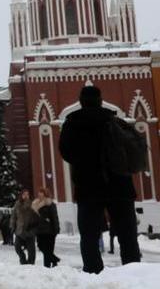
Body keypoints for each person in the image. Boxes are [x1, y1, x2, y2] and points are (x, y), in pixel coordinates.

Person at [58, 84, 142, 274]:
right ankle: (134, 271)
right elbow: (132, 150)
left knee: (89, 236)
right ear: (100, 100)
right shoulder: (115, 121)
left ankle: (94, 272)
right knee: (127, 234)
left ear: (80, 102)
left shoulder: (73, 123)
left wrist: (85, 161)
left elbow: (66, 152)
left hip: (89, 188)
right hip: (120, 185)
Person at [11, 189, 39, 265]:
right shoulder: (17, 204)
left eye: (27, 194)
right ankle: (23, 259)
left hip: (29, 230)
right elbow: (13, 216)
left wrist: (34, 228)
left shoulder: (33, 204)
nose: (26, 196)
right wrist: (12, 227)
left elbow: (37, 217)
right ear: (21, 195)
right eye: (24, 194)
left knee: (31, 250)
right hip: (19, 230)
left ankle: (31, 263)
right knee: (17, 247)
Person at [33, 189, 61, 268]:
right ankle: (54, 259)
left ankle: (47, 267)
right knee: (41, 246)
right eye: (39, 193)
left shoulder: (50, 204)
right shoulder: (35, 204)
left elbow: (54, 217)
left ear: (45, 194)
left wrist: (56, 229)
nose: (39, 194)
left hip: (49, 230)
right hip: (39, 230)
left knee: (48, 249)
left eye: (41, 193)